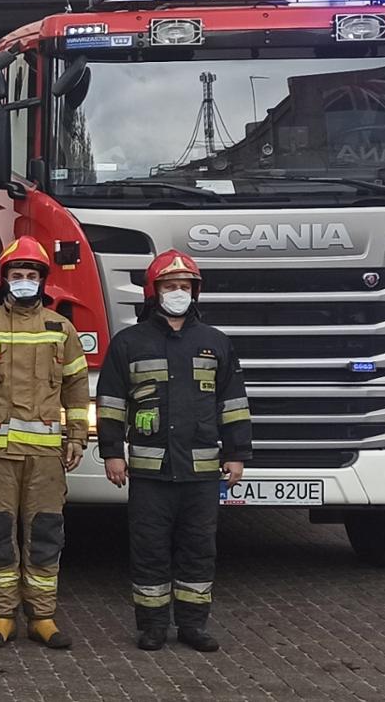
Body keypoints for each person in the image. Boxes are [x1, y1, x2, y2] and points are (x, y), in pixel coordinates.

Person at [97, 249, 252, 653]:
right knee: (148, 551)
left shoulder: (215, 343)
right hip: (150, 473)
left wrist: (236, 454)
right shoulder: (129, 343)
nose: (178, 292)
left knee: (199, 551)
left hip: (201, 474)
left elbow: (232, 402)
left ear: (195, 292)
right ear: (155, 292)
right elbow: (111, 402)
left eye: (185, 286)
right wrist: (112, 452)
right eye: (170, 286)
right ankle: (151, 627)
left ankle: (193, 627)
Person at [0, 237, 90, 650]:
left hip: (46, 457)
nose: (24, 282)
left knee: (46, 534)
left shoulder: (61, 329)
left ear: (42, 281)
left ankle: (42, 617)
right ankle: (2, 615)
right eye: (17, 275)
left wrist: (77, 436)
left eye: (31, 276)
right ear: (4, 279)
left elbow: (77, 388)